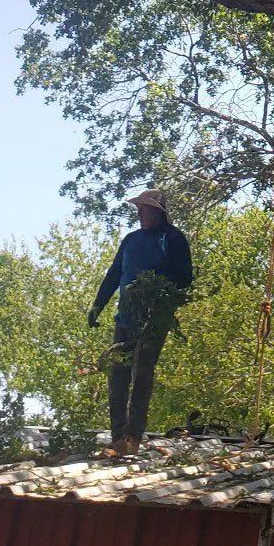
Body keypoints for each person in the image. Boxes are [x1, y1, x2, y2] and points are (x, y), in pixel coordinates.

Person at [88, 188, 194, 456]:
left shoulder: (173, 239)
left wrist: (159, 288)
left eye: (144, 209)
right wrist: (98, 304)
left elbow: (185, 278)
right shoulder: (130, 240)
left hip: (155, 317)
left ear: (157, 211)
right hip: (126, 315)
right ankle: (118, 436)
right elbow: (114, 273)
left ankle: (134, 436)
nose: (139, 214)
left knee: (143, 370)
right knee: (118, 373)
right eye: (138, 209)